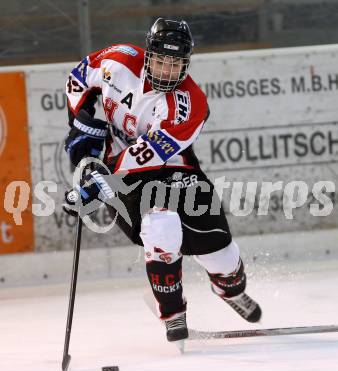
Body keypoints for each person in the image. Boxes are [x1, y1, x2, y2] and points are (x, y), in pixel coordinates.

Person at [63, 18, 262, 343]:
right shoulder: (118, 60)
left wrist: (99, 185)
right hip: (125, 178)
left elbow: (148, 154)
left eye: (176, 63)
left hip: (172, 166)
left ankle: (228, 289)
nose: (168, 70)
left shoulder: (190, 104)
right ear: (148, 55)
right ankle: (173, 312)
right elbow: (78, 78)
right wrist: (81, 122)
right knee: (161, 225)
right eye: (161, 60)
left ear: (186, 64)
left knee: (220, 253)